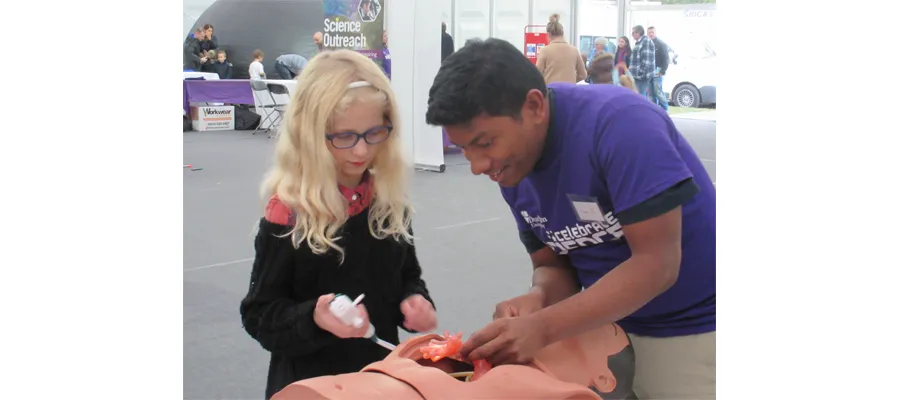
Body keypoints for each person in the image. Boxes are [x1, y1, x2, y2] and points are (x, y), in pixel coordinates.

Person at [425, 38, 715, 399]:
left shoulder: (621, 125)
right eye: (464, 148)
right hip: (602, 323)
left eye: (485, 143)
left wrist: (543, 327)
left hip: (690, 321)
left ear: (534, 106)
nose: (477, 166)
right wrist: (538, 298)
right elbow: (555, 265)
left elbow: (657, 264)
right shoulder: (513, 165)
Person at [240, 49, 439, 400]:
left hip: (379, 379)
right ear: (310, 136)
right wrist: (312, 317)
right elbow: (260, 315)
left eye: (374, 133)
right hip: (311, 386)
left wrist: (414, 301)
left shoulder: (386, 203)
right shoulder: (288, 214)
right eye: (343, 137)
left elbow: (407, 275)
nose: (361, 151)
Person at [535, 14, 586, 84]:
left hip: (552, 91)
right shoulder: (574, 50)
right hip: (569, 90)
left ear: (549, 34)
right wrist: (572, 80)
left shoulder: (545, 50)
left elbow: (537, 74)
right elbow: (583, 74)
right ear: (562, 33)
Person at [629, 25, 656, 101]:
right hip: (637, 75)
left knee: (640, 96)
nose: (632, 34)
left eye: (634, 32)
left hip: (642, 76)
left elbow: (647, 61)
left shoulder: (646, 41)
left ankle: (643, 112)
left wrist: (640, 73)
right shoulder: (639, 42)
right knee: (639, 95)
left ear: (639, 32)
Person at [647, 26, 670, 111]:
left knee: (658, 92)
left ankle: (665, 109)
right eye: (649, 32)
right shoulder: (647, 44)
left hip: (658, 71)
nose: (651, 34)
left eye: (652, 32)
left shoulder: (661, 44)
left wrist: (662, 71)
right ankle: (654, 110)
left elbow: (666, 59)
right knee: (651, 93)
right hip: (649, 72)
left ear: (655, 33)